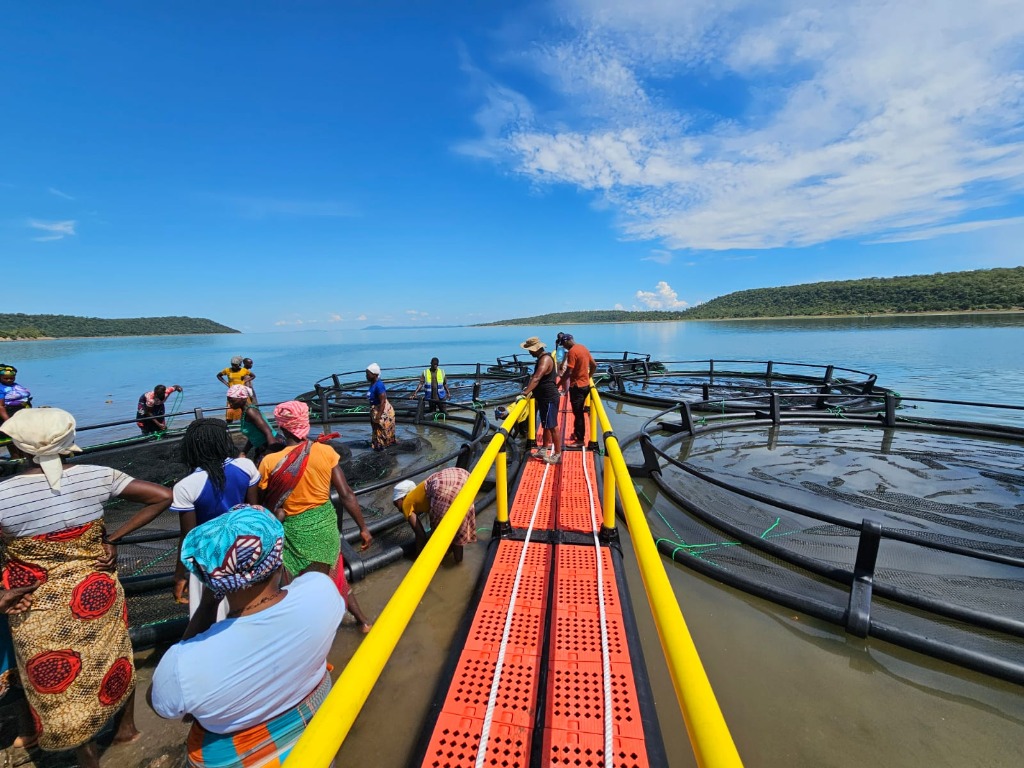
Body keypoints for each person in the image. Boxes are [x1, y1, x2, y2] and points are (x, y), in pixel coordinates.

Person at [0, 408, 173, 768]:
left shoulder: (4, 494)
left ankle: (85, 753)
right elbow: (162, 496)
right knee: (115, 655)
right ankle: (126, 730)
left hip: (34, 600)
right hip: (96, 588)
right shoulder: (99, 476)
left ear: (17, 450)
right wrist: (114, 537)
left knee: (56, 679)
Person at [150, 506, 342, 768]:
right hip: (315, 744)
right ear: (277, 553)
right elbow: (314, 573)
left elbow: (161, 704)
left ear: (209, 578)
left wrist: (208, 605)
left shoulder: (184, 665)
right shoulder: (322, 594)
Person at [258, 400, 373, 631]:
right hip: (325, 526)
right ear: (305, 425)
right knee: (335, 573)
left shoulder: (269, 462)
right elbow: (346, 494)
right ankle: (363, 622)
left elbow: (263, 504)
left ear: (281, 427)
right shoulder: (325, 451)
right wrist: (363, 528)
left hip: (293, 531)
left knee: (296, 583)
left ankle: (311, 633)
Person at [169, 419, 262, 616]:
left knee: (210, 615)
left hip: (208, 559)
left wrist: (180, 575)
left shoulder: (186, 486)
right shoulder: (246, 466)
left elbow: (188, 536)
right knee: (248, 609)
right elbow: (253, 510)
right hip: (246, 549)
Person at [392, 467, 476, 564]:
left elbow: (420, 535)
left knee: (439, 535)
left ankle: (454, 562)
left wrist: (418, 558)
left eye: (396, 503)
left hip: (441, 486)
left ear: (402, 498)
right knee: (459, 524)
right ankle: (459, 562)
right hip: (462, 475)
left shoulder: (406, 503)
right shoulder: (422, 490)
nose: (398, 509)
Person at [518, 336, 562, 464]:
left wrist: (524, 393)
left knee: (552, 426)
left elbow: (537, 377)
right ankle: (544, 449)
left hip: (549, 398)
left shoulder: (545, 359)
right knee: (546, 425)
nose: (529, 352)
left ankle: (557, 454)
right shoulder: (541, 358)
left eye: (530, 350)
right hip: (543, 397)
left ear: (536, 349)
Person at [556, 334, 597, 445]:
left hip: (577, 387)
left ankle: (580, 440)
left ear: (567, 341)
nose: (564, 346)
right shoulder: (583, 347)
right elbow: (594, 365)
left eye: (563, 344)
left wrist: (558, 384)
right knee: (577, 412)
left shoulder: (572, 352)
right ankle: (576, 432)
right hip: (585, 386)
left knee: (578, 413)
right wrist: (588, 377)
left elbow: (568, 372)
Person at [226, 384, 279, 464]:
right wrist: (244, 452)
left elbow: (268, 432)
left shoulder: (251, 411)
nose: (230, 404)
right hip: (263, 445)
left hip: (272, 443)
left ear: (243, 399)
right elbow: (253, 435)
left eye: (232, 400)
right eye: (229, 401)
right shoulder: (245, 412)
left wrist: (271, 454)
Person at [365, 362, 396, 451]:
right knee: (377, 433)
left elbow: (382, 402)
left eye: (368, 374)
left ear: (374, 374)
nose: (366, 376)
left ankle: (385, 450)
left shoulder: (379, 385)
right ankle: (379, 447)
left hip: (382, 412)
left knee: (383, 433)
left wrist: (378, 416)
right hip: (376, 410)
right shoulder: (373, 383)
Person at [216, 357, 251, 422]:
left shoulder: (244, 370)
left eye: (235, 365)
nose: (233, 366)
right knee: (230, 412)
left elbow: (253, 376)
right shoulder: (227, 370)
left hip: (242, 393)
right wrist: (226, 383)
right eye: (232, 365)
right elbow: (218, 375)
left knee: (246, 411)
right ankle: (229, 426)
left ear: (239, 364)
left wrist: (245, 381)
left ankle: (245, 424)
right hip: (232, 393)